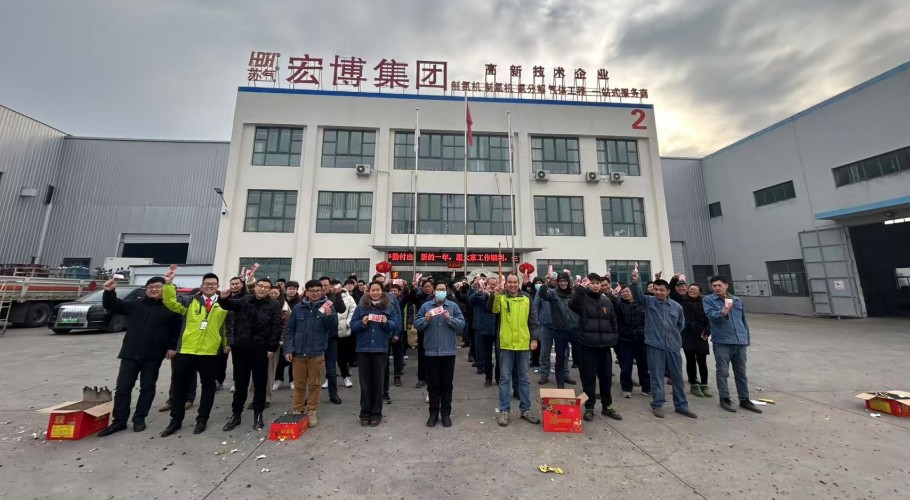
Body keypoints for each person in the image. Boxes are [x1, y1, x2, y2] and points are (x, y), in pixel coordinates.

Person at [97, 277, 182, 436]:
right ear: (146, 289)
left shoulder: (171, 308)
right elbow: (113, 305)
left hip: (153, 355)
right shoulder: (135, 305)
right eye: (150, 287)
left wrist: (172, 347)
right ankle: (119, 421)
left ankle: (139, 418)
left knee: (147, 388)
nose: (154, 289)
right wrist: (109, 292)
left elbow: (176, 330)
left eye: (158, 286)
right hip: (130, 354)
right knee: (123, 388)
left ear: (164, 289)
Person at [160, 269, 230, 437]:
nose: (210, 286)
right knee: (180, 387)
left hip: (209, 352)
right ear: (201, 286)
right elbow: (171, 303)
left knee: (208, 387)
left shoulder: (223, 304)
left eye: (213, 284)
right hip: (187, 350)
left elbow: (227, 327)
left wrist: (226, 344)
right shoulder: (190, 301)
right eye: (207, 284)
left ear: (218, 286)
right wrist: (168, 284)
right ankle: (175, 420)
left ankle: (202, 419)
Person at [218, 278, 282, 431]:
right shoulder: (245, 300)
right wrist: (223, 298)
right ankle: (236, 415)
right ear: (256, 287)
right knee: (240, 383)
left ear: (269, 290)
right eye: (260, 286)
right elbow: (229, 305)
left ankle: (258, 414)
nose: (262, 289)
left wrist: (272, 348)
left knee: (260, 383)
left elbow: (276, 327)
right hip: (241, 348)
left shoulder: (273, 305)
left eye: (266, 287)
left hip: (261, 349)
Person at [631, 270, 697, 419]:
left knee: (677, 377)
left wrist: (672, 337)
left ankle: (681, 405)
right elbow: (638, 296)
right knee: (656, 376)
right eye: (656, 290)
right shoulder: (649, 302)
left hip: (673, 346)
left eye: (661, 290)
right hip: (655, 345)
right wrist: (635, 283)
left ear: (668, 291)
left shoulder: (676, 307)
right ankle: (657, 404)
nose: (658, 292)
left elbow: (680, 325)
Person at [703, 276, 762, 414]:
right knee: (722, 372)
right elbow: (711, 316)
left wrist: (746, 338)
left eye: (719, 285)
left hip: (739, 342)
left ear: (726, 285)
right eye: (714, 286)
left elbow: (743, 321)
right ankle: (724, 399)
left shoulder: (737, 300)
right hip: (722, 342)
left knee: (741, 373)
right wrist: (723, 311)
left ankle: (744, 399)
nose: (717, 288)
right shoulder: (708, 300)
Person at [488, 274, 541, 427]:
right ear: (506, 284)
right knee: (505, 378)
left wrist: (534, 339)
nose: (512, 285)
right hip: (506, 344)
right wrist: (495, 295)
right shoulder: (501, 297)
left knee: (524, 378)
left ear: (519, 283)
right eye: (509, 282)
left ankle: (525, 410)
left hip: (523, 344)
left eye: (515, 282)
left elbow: (533, 319)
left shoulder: (526, 297)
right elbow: (492, 309)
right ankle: (504, 410)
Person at [285, 280, 339, 428]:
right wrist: (288, 349)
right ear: (306, 292)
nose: (315, 293)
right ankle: (298, 409)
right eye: (312, 291)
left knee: (314, 384)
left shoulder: (328, 306)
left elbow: (332, 327)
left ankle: (312, 411)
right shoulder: (298, 308)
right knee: (299, 384)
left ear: (322, 291)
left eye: (318, 291)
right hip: (298, 353)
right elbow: (289, 330)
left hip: (316, 353)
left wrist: (329, 316)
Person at [569, 273, 622, 421]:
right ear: (588, 285)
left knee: (606, 378)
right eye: (592, 283)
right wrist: (580, 289)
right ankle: (589, 407)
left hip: (604, 346)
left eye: (598, 283)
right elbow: (572, 305)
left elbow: (613, 321)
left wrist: (613, 338)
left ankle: (607, 406)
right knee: (588, 379)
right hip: (587, 346)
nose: (596, 285)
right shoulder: (582, 299)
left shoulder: (606, 301)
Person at [415, 281, 464, 427]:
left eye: (443, 289)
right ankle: (433, 413)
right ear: (434, 292)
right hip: (431, 351)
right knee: (433, 385)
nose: (441, 292)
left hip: (448, 351)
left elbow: (461, 324)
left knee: (447, 384)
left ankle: (446, 413)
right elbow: (417, 324)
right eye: (438, 289)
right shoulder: (426, 306)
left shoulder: (453, 306)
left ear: (446, 291)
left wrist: (450, 319)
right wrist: (425, 319)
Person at [351, 281, 401, 426]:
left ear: (382, 291)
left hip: (380, 349)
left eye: (378, 290)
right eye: (373, 290)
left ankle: (376, 413)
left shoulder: (389, 307)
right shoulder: (361, 307)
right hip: (363, 349)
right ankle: (364, 413)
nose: (375, 292)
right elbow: (352, 326)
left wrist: (386, 322)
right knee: (365, 383)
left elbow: (395, 324)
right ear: (368, 291)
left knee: (378, 383)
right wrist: (362, 322)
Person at [538, 273, 580, 389]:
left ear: (568, 282)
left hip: (571, 329)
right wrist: (546, 283)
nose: (563, 283)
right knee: (551, 354)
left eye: (565, 281)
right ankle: (551, 379)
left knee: (567, 354)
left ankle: (566, 376)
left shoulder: (573, 293)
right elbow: (542, 294)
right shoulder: (553, 293)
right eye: (560, 281)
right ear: (557, 282)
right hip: (556, 328)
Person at [675, 282, 712, 398]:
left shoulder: (704, 303)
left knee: (702, 361)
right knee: (690, 360)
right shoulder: (682, 301)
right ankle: (694, 384)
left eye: (695, 290)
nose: (692, 291)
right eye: (690, 289)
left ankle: (704, 385)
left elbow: (709, 319)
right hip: (687, 335)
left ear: (700, 292)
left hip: (701, 336)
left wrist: (707, 331)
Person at [614, 285, 651, 398]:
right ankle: (626, 388)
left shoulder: (641, 304)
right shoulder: (619, 305)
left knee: (644, 366)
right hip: (626, 340)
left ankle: (646, 388)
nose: (625, 293)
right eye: (623, 292)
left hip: (641, 340)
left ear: (632, 293)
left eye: (627, 291)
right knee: (626, 366)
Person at [318, 276, 347, 404]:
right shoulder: (313, 298)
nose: (324, 288)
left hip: (331, 337)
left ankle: (333, 394)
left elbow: (342, 309)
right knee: (314, 369)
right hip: (316, 338)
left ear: (330, 286)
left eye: (326, 285)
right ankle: (312, 396)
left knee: (331, 368)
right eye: (321, 285)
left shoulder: (333, 297)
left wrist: (338, 295)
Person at [469, 276, 498, 387]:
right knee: (486, 356)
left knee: (500, 357)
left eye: (494, 284)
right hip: (483, 328)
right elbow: (471, 300)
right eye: (490, 284)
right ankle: (488, 377)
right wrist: (481, 291)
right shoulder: (480, 294)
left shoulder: (499, 295)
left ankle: (499, 377)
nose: (492, 286)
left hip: (497, 329)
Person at [274, 280, 299, 391]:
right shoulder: (281, 301)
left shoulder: (300, 302)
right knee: (279, 358)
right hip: (281, 332)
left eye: (294, 289)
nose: (292, 291)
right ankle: (278, 379)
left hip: (295, 332)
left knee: (292, 357)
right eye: (290, 289)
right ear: (286, 289)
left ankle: (292, 380)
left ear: (296, 290)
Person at [384, 282, 409, 396]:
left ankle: (397, 376)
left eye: (395, 290)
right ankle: (384, 379)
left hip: (395, 331)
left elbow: (398, 316)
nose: (393, 292)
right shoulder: (377, 298)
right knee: (384, 357)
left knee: (398, 354)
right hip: (384, 333)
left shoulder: (394, 298)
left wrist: (397, 333)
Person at [411, 279, 435, 389]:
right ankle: (422, 378)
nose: (427, 288)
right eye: (425, 286)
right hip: (422, 328)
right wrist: (413, 288)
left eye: (429, 286)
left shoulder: (437, 298)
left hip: (434, 329)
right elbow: (410, 298)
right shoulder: (419, 297)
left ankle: (432, 377)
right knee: (422, 354)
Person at [335, 280, 358, 390]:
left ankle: (346, 377)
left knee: (342, 356)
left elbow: (353, 311)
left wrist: (348, 323)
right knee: (329, 357)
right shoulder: (327, 298)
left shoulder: (348, 298)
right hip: (330, 331)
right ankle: (328, 378)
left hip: (343, 331)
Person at [533, 275, 555, 385]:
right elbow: (535, 307)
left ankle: (564, 374)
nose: (553, 281)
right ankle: (544, 375)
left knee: (563, 353)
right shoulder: (541, 291)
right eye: (550, 279)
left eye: (554, 279)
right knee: (544, 352)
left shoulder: (560, 291)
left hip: (560, 326)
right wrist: (537, 323)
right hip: (545, 326)